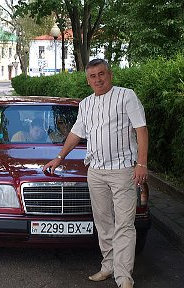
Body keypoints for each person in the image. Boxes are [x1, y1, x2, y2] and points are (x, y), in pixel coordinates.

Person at [43, 58, 148, 288]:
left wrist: (141, 163)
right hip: (96, 172)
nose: (98, 79)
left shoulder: (126, 96)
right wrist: (59, 157)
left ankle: (123, 277)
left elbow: (141, 129)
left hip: (123, 170)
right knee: (103, 223)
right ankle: (108, 267)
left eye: (102, 74)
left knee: (124, 225)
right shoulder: (86, 104)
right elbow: (76, 133)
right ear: (88, 80)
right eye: (93, 76)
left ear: (110, 75)